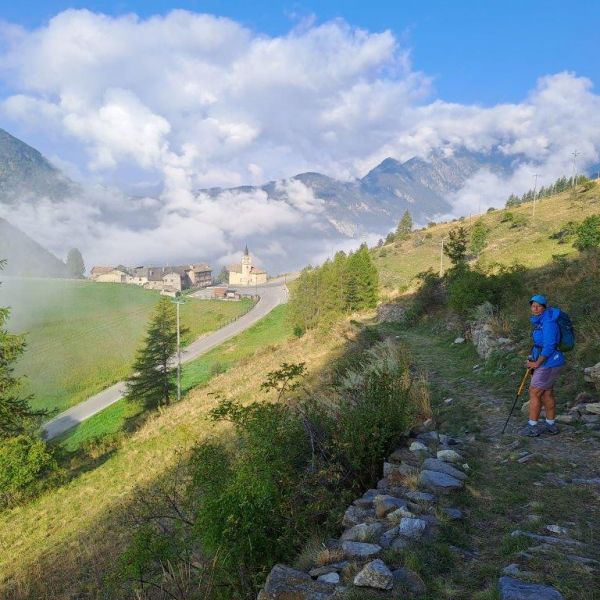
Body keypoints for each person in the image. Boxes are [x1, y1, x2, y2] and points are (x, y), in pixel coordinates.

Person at [522, 294, 566, 436]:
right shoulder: (542, 320)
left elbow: (549, 346)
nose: (535, 308)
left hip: (549, 363)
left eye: (538, 306)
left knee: (535, 391)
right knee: (547, 392)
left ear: (544, 307)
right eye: (533, 305)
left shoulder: (548, 322)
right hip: (550, 362)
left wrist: (536, 363)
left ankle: (532, 426)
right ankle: (550, 425)